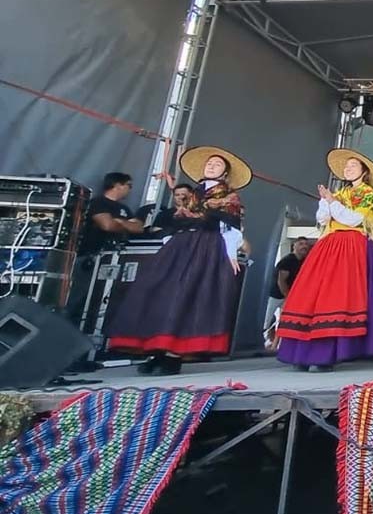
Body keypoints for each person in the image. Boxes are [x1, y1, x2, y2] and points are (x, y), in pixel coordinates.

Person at [105, 147, 250, 375]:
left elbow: (231, 227)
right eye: (209, 163)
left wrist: (231, 254)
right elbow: (179, 217)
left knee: (190, 296)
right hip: (181, 245)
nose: (211, 165)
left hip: (207, 247)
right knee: (163, 292)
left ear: (224, 174)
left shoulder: (229, 196)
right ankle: (157, 350)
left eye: (217, 164)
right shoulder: (194, 193)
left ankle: (173, 356)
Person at [276, 149, 373, 371]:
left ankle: (324, 353)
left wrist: (332, 203)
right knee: (311, 293)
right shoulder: (339, 192)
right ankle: (302, 351)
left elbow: (354, 219)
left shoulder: (367, 193)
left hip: (350, 244)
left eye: (353, 166)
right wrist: (326, 202)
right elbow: (322, 218)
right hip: (330, 242)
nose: (348, 169)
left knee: (335, 296)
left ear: (364, 172)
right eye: (347, 166)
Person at [69, 172, 146, 323]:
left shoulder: (124, 208)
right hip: (91, 257)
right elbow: (107, 225)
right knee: (79, 298)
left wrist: (120, 222)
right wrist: (124, 224)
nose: (130, 190)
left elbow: (139, 227)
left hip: (113, 260)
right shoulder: (98, 203)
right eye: (128, 186)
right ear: (117, 185)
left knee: (101, 300)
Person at [262, 237, 310, 349]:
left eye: (306, 244)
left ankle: (275, 345)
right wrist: (288, 296)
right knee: (266, 320)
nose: (304, 246)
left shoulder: (304, 261)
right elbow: (281, 281)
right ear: (294, 246)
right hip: (275, 294)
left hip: (289, 295)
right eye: (301, 244)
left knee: (283, 320)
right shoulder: (287, 260)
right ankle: (262, 341)